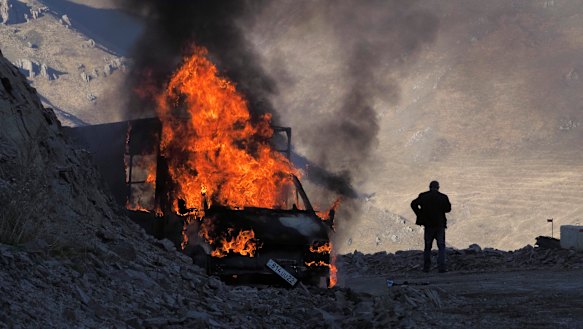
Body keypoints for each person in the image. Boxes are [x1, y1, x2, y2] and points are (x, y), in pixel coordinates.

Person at [411, 180, 451, 273]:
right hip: (440, 225)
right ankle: (441, 268)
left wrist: (419, 214)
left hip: (428, 225)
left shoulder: (423, 196)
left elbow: (413, 204)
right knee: (441, 246)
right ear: (438, 187)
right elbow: (448, 209)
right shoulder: (443, 197)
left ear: (429, 187)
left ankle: (426, 268)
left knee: (427, 247)